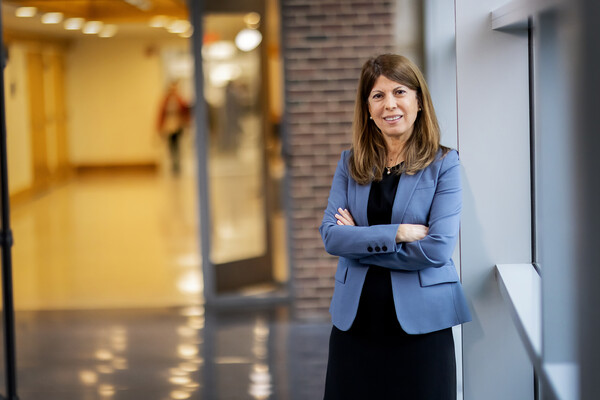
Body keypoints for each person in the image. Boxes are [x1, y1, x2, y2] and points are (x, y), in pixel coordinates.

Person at [319, 54, 472, 399]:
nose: (390, 104)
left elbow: (436, 249)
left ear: (419, 101)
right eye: (378, 95)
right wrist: (397, 233)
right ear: (368, 108)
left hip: (422, 330)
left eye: (399, 92)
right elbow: (331, 236)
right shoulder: (350, 163)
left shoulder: (444, 164)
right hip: (355, 326)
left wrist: (358, 243)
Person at [157, 80, 190, 175]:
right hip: (169, 125)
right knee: (172, 145)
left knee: (178, 144)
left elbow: (185, 110)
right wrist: (159, 127)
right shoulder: (165, 100)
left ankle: (178, 164)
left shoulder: (179, 99)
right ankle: (173, 164)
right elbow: (161, 114)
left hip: (178, 125)